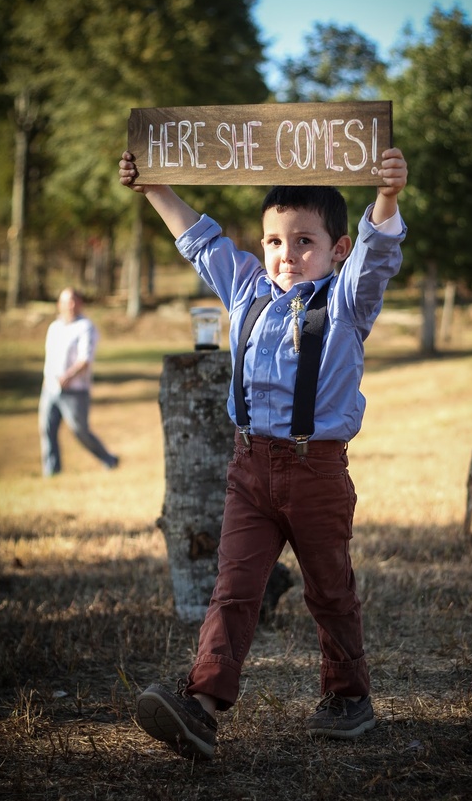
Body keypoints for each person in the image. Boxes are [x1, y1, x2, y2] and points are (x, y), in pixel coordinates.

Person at [119, 146, 407, 761]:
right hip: (248, 469)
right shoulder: (246, 288)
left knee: (329, 589)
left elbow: (379, 253)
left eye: (305, 241)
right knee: (235, 586)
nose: (286, 255)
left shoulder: (348, 301)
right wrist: (156, 189)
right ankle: (203, 704)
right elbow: (201, 241)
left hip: (316, 471)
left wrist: (385, 196)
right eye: (275, 241)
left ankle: (348, 696)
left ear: (336, 251)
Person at [39, 287, 119, 476]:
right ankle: (51, 472)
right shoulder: (54, 327)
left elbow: (85, 359)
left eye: (75, 301)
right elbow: (49, 358)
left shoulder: (86, 327)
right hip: (50, 389)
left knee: (80, 432)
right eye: (67, 301)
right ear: (59, 305)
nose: (71, 305)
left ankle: (109, 459)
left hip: (74, 390)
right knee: (46, 430)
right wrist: (46, 381)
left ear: (81, 303)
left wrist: (69, 376)